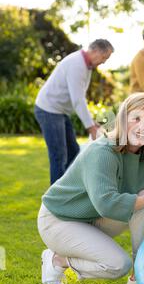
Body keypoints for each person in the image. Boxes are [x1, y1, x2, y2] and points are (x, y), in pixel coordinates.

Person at [37, 92, 144, 284]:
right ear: (123, 120)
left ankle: (140, 275)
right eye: (136, 118)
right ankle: (57, 259)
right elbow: (106, 203)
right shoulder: (102, 151)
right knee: (117, 264)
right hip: (59, 219)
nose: (143, 127)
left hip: (94, 218)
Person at [34, 39, 114, 184]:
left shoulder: (86, 66)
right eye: (104, 57)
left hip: (60, 111)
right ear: (95, 51)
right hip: (49, 110)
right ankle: (56, 199)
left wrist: (91, 122)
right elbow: (77, 99)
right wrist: (91, 128)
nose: (104, 62)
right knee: (59, 156)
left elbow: (80, 97)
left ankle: (69, 189)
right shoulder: (77, 64)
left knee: (73, 152)